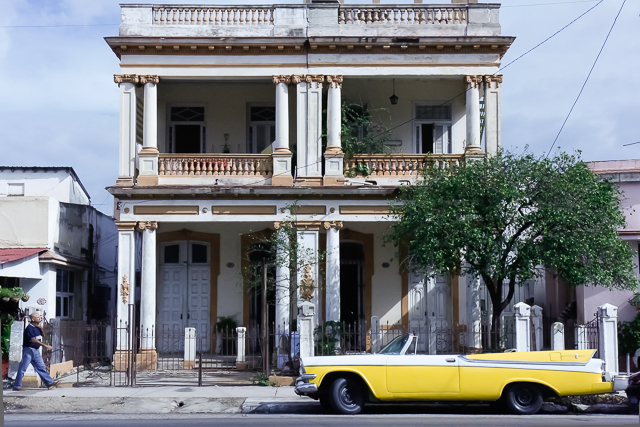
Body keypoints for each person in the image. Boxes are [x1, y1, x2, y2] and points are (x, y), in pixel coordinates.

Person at [12, 313, 58, 391]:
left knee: (41, 367)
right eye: (37, 317)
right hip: (29, 350)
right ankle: (17, 386)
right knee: (23, 368)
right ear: (32, 319)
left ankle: (50, 383)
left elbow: (43, 335)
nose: (39, 318)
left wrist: (41, 328)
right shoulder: (29, 328)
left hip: (36, 350)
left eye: (40, 317)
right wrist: (45, 346)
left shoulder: (37, 327)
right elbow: (34, 340)